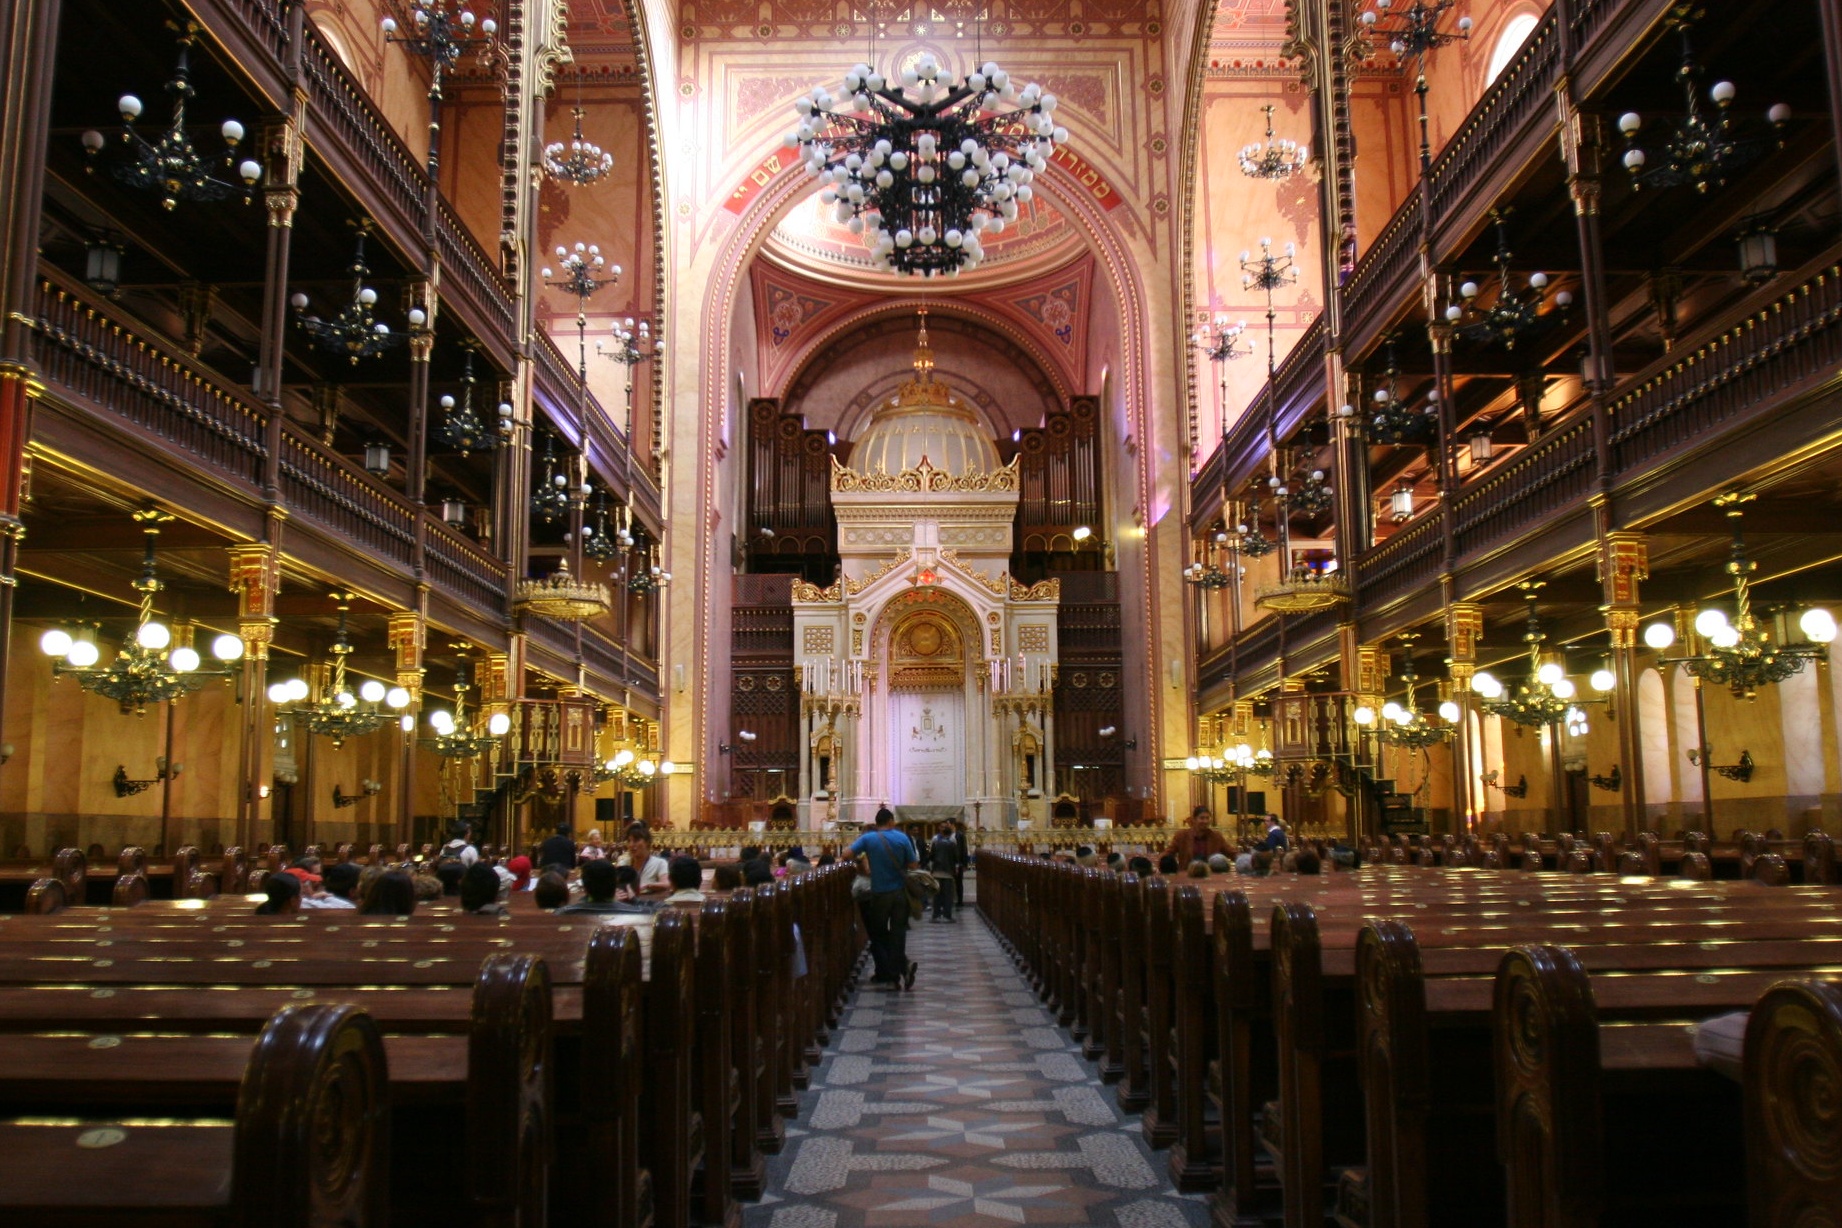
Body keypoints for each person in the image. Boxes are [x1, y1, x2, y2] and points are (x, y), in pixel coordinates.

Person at [851, 807, 918, 990]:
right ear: (890, 821)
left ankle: (894, 975)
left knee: (878, 933)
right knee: (898, 934)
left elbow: (846, 854)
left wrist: (863, 863)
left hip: (880, 893)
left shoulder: (868, 838)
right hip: (900, 893)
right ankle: (901, 968)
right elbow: (913, 864)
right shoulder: (902, 837)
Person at [560, 858, 651, 915]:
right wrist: (635, 900)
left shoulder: (565, 912)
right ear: (615, 883)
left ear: (585, 888)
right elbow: (662, 909)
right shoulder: (638, 912)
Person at [1163, 806, 1232, 866]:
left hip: (1210, 876)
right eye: (1202, 818)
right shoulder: (1181, 836)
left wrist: (1241, 861)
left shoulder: (1216, 837)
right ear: (1194, 819)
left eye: (1207, 818)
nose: (1205, 821)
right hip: (1187, 875)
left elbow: (1230, 852)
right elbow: (1168, 853)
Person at [928, 823, 962, 923]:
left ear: (942, 832)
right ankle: (947, 915)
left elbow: (931, 857)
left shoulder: (936, 843)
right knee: (948, 895)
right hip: (948, 872)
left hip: (937, 871)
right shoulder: (952, 844)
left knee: (937, 895)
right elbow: (956, 858)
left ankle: (936, 915)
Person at [625, 824, 670, 895]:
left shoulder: (660, 863)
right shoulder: (624, 863)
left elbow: (666, 884)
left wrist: (648, 886)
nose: (631, 845)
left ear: (647, 842)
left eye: (636, 840)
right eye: (629, 841)